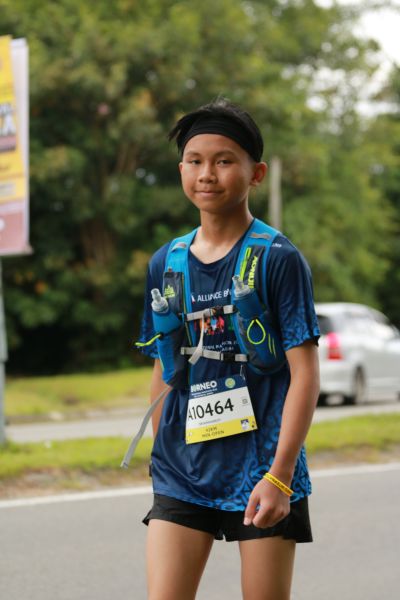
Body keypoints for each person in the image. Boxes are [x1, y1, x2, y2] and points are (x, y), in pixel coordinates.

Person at [138, 98, 320, 600]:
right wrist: (161, 455)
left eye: (223, 161)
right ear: (181, 170)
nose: (207, 174)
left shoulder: (278, 258)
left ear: (255, 173)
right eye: (195, 161)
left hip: (262, 470)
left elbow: (305, 374)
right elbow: (163, 367)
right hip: (182, 469)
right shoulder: (167, 263)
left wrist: (281, 476)